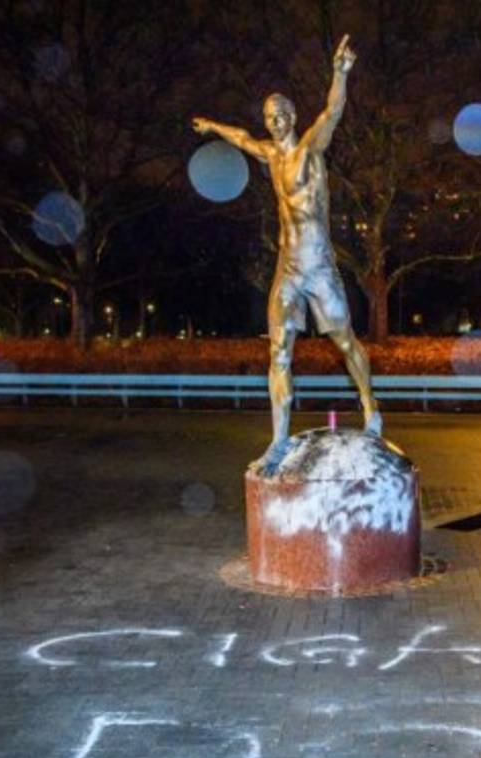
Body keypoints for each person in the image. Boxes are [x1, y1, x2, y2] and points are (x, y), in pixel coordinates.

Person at [192, 34, 380, 474]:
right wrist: (213, 127)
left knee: (346, 341)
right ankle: (278, 440)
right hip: (288, 268)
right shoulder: (270, 156)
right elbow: (242, 139)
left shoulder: (310, 148)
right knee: (278, 351)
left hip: (320, 266)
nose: (274, 122)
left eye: (280, 115)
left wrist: (340, 73)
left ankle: (371, 405)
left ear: (292, 116)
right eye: (268, 117)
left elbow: (332, 111)